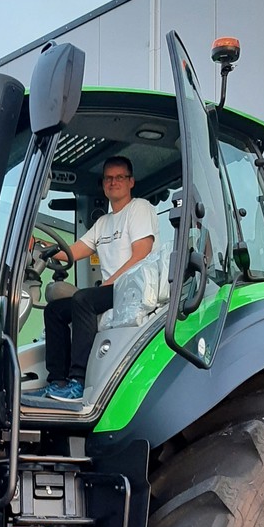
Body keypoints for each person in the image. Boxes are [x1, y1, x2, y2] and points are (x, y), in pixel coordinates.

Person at [36, 156, 158, 403]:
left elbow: (142, 254)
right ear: (103, 184)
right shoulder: (103, 223)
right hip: (113, 290)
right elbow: (71, 252)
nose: (113, 182)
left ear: (131, 182)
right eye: (108, 178)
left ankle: (78, 381)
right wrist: (38, 244)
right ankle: (57, 381)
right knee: (55, 310)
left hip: (133, 288)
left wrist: (109, 282)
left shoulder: (139, 208)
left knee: (83, 299)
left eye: (119, 177)